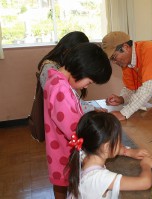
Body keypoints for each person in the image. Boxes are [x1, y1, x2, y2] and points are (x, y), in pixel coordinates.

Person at [43, 42, 112, 199]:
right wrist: (97, 144)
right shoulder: (60, 89)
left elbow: (69, 113)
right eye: (89, 82)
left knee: (63, 185)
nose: (86, 86)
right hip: (65, 152)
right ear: (81, 69)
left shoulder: (56, 80)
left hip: (60, 148)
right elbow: (74, 129)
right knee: (68, 185)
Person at [66, 111, 152, 199]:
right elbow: (145, 183)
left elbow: (111, 149)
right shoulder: (100, 178)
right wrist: (146, 165)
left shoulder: (84, 152)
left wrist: (127, 151)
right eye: (118, 140)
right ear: (106, 147)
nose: (120, 143)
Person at [38, 31, 96, 113]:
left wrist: (91, 108)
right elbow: (67, 103)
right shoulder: (50, 69)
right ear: (68, 50)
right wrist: (92, 109)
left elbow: (72, 97)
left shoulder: (59, 67)